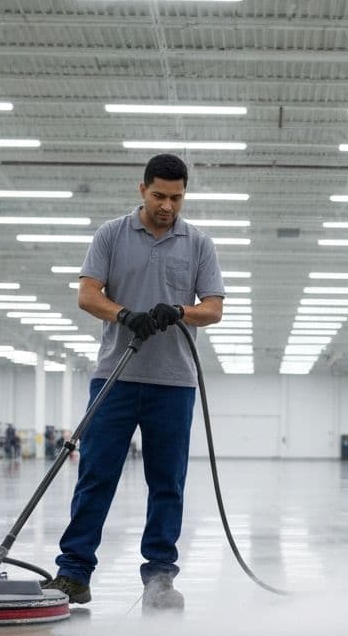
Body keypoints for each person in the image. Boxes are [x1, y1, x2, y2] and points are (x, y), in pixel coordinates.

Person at [49, 153, 225, 611]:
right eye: (159, 195)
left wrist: (179, 311)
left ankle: (160, 577)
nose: (168, 206)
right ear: (142, 189)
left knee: (167, 482)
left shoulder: (199, 243)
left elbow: (213, 308)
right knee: (96, 475)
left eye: (177, 197)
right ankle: (74, 573)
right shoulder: (111, 234)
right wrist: (125, 314)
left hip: (174, 383)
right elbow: (88, 294)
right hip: (116, 375)